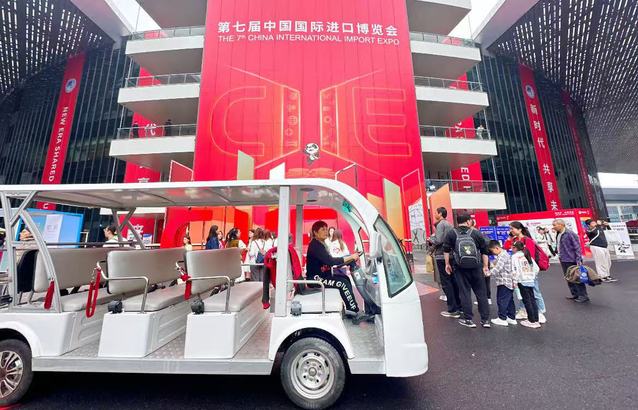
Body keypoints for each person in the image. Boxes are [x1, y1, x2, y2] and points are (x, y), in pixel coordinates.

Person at [306, 220, 371, 320]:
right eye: (323, 229)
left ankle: (351, 309)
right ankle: (354, 311)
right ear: (315, 232)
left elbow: (330, 261)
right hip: (316, 279)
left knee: (345, 278)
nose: (326, 231)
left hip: (323, 276)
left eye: (326, 229)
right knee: (342, 283)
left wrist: (348, 259)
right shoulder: (315, 245)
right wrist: (351, 257)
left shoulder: (321, 244)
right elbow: (330, 261)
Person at [443, 213, 491, 328]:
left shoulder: (452, 233)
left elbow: (446, 250)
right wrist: (485, 266)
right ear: (469, 221)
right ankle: (485, 320)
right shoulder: (476, 233)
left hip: (460, 268)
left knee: (464, 293)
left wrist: (447, 264)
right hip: (476, 267)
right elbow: (484, 251)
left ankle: (468, 319)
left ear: (457, 221)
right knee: (481, 293)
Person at [507, 221, 547, 324]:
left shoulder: (527, 240)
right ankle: (524, 310)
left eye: (512, 228)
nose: (511, 230)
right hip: (520, 272)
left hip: (528, 272)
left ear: (520, 229)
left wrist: (529, 272)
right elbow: (508, 248)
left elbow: (531, 257)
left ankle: (540, 312)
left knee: (535, 292)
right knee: (522, 293)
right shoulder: (514, 240)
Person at [429, 207, 461, 318]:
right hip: (451, 255)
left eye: (436, 212)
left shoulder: (440, 225)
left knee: (446, 282)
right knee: (453, 281)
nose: (434, 214)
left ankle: (452, 309)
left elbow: (438, 240)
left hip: (442, 256)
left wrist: (430, 239)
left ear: (440, 214)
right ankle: (459, 306)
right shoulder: (449, 225)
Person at [553, 219, 589, 302]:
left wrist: (578, 259)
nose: (553, 227)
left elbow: (577, 247)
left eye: (555, 225)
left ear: (561, 224)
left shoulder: (569, 233)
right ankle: (575, 294)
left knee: (577, 277)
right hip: (563, 259)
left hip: (572, 259)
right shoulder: (558, 234)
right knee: (569, 278)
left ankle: (583, 295)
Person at [511, 241, 541, 329]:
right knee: (532, 299)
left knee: (527, 301)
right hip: (530, 280)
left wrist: (515, 281)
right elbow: (536, 268)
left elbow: (514, 270)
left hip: (522, 280)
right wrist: (532, 275)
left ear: (515, 248)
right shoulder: (527, 254)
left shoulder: (515, 257)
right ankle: (536, 319)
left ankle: (531, 320)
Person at [487, 240, 517, 326]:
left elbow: (498, 268)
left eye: (492, 251)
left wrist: (488, 273)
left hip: (504, 281)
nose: (492, 253)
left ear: (497, 248)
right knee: (509, 300)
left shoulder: (503, 255)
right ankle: (511, 317)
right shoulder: (504, 255)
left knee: (501, 300)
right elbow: (496, 264)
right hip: (508, 281)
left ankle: (502, 318)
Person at [470, 219, 492, 305]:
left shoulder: (472, 234)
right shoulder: (481, 234)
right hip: (485, 258)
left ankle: (483, 300)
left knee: (479, 280)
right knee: (486, 279)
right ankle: (488, 298)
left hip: (479, 259)